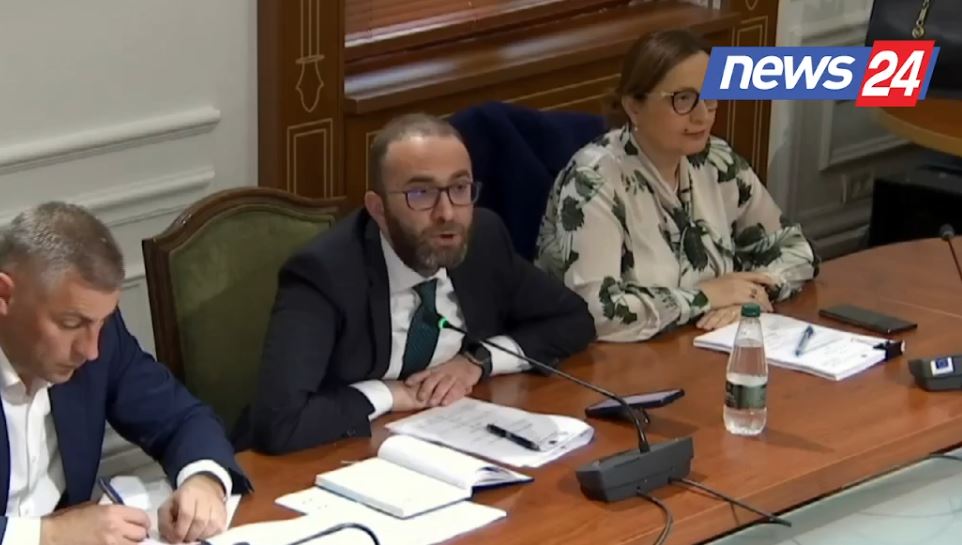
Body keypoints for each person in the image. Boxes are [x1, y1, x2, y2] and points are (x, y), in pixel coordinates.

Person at [247, 113, 595, 454]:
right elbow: (278, 422)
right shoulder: (326, 273)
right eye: (421, 193)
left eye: (459, 188)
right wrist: (391, 394)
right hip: (336, 455)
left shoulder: (482, 239)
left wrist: (477, 361)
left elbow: (573, 320)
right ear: (378, 209)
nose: (447, 213)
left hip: (452, 437)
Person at [536, 30, 818, 342]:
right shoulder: (592, 180)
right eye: (683, 99)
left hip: (704, 344)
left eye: (710, 97)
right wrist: (706, 296)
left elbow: (793, 249)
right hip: (613, 361)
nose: (703, 115)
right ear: (634, 106)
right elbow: (596, 311)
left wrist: (749, 296)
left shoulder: (716, 160)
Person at [0, 203, 251, 545]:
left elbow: (181, 418)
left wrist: (203, 480)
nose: (91, 351)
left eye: (101, 323)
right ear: (5, 295)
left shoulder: (99, 339)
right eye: (71, 324)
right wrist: (49, 534)